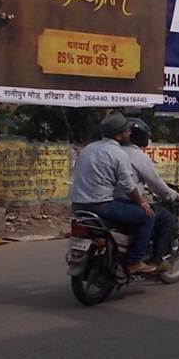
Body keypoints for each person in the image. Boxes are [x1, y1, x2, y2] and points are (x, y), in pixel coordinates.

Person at [70, 113, 157, 275]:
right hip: (102, 206)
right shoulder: (118, 154)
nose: (129, 134)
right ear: (120, 133)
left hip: (77, 206)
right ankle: (135, 261)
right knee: (148, 217)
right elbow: (127, 185)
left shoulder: (88, 148)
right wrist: (142, 203)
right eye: (127, 131)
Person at [121, 117, 179, 270]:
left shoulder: (113, 152)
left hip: (105, 202)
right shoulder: (139, 156)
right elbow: (156, 184)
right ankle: (156, 260)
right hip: (127, 203)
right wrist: (173, 195)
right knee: (165, 218)